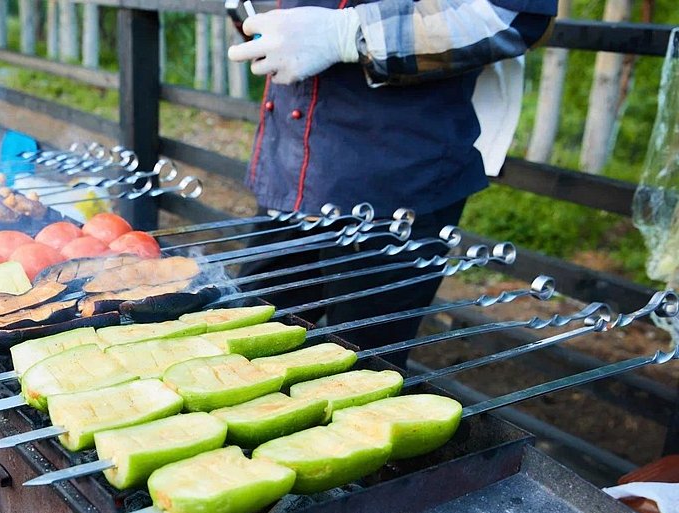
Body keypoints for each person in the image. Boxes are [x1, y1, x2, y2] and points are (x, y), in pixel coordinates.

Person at [227, 0, 557, 366]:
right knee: (241, 344)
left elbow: (512, 16)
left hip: (396, 185)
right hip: (289, 170)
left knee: (360, 372)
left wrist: (347, 35)